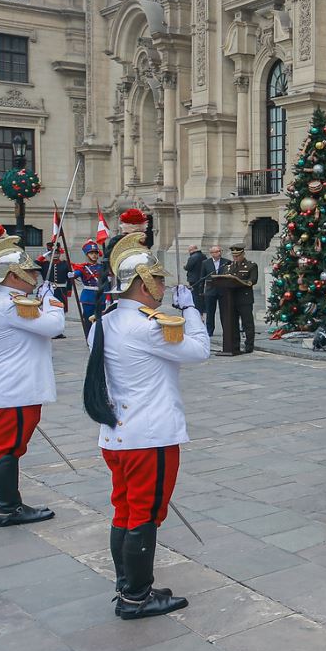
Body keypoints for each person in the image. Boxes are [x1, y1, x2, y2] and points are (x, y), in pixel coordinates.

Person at [83, 232, 208, 620]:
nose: (164, 286)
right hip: (149, 437)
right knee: (144, 515)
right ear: (141, 282)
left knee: (124, 511)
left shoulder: (103, 323)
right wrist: (191, 312)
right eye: (159, 279)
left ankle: (128, 584)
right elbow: (200, 351)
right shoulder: (149, 326)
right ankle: (136, 597)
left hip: (119, 435)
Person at [0, 232, 64, 528]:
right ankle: (7, 508)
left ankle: (6, 503)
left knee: (3, 449)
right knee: (6, 450)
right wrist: (51, 300)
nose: (35, 276)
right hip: (15, 389)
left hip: (11, 387)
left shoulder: (9, 300)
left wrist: (39, 299)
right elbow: (53, 326)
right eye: (30, 272)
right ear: (13, 275)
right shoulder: (11, 303)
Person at [216, 244, 260, 354]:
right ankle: (234, 345)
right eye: (234, 256)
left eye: (238, 256)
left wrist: (238, 281)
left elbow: (252, 280)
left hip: (244, 299)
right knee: (232, 323)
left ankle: (249, 346)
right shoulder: (228, 267)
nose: (235, 258)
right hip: (231, 299)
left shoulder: (251, 266)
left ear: (243, 254)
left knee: (247, 323)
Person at [35, 244, 73, 338]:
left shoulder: (65, 264)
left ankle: (59, 331)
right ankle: (49, 330)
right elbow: (35, 264)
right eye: (52, 252)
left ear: (60, 253)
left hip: (60, 291)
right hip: (48, 290)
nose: (55, 254)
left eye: (56, 252)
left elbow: (70, 278)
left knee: (60, 310)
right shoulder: (45, 264)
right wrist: (43, 256)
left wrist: (69, 289)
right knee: (48, 310)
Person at [72, 241, 106, 338]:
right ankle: (89, 337)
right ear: (87, 255)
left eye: (95, 253)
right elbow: (76, 274)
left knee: (101, 318)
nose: (94, 255)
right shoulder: (83, 268)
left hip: (101, 296)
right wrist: (72, 274)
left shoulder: (102, 267)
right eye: (91, 253)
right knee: (88, 319)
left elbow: (107, 281)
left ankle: (99, 337)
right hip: (88, 297)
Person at [200, 244, 227, 335]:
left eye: (220, 251)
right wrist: (201, 291)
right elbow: (202, 277)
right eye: (216, 252)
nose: (219, 253)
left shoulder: (227, 262)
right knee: (210, 312)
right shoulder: (205, 263)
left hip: (223, 290)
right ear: (211, 253)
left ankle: (226, 330)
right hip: (210, 290)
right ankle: (209, 330)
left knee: (224, 312)